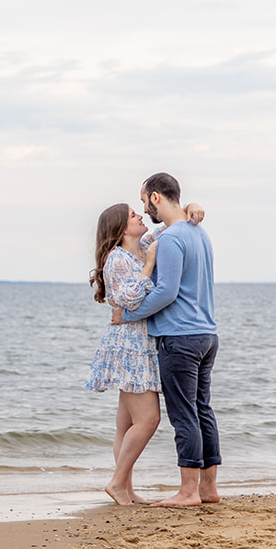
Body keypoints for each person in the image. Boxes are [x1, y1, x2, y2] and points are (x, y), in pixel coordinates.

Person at [86, 199, 206, 506]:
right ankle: (116, 483)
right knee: (149, 419)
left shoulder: (146, 244)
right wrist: (150, 265)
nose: (141, 216)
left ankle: (124, 487)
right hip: (130, 345)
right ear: (120, 228)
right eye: (132, 215)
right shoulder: (117, 258)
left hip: (143, 343)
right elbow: (128, 299)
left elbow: (172, 223)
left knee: (125, 424)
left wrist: (193, 208)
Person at [113, 172, 219, 507]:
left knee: (183, 413)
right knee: (202, 410)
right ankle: (208, 489)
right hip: (206, 333)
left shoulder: (173, 239)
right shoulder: (198, 233)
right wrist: (193, 207)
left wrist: (126, 316)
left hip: (180, 337)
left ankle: (188, 491)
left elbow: (166, 292)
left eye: (145, 200)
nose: (145, 209)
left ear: (157, 197)